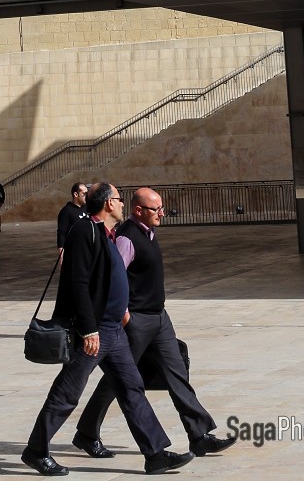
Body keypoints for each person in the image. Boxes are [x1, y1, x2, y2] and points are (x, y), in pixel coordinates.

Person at [21, 182, 193, 478]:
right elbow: (78, 285)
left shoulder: (105, 232)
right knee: (67, 393)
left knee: (131, 388)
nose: (123, 203)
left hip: (113, 331)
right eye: (119, 199)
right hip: (94, 332)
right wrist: (88, 330)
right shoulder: (83, 232)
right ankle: (36, 450)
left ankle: (155, 454)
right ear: (107, 204)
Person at [74, 187, 235, 460]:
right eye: (156, 208)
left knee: (177, 374)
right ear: (139, 210)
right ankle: (88, 432)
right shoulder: (127, 238)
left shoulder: (148, 232)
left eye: (161, 207)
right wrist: (124, 314)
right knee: (119, 380)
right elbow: (113, 278)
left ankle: (199, 435)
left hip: (159, 319)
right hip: (136, 321)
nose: (162, 213)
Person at [56, 182, 88, 259]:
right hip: (74, 252)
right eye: (84, 194)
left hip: (87, 250)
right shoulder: (66, 211)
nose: (86, 196)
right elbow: (61, 234)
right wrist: (62, 256)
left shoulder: (88, 208)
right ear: (76, 194)